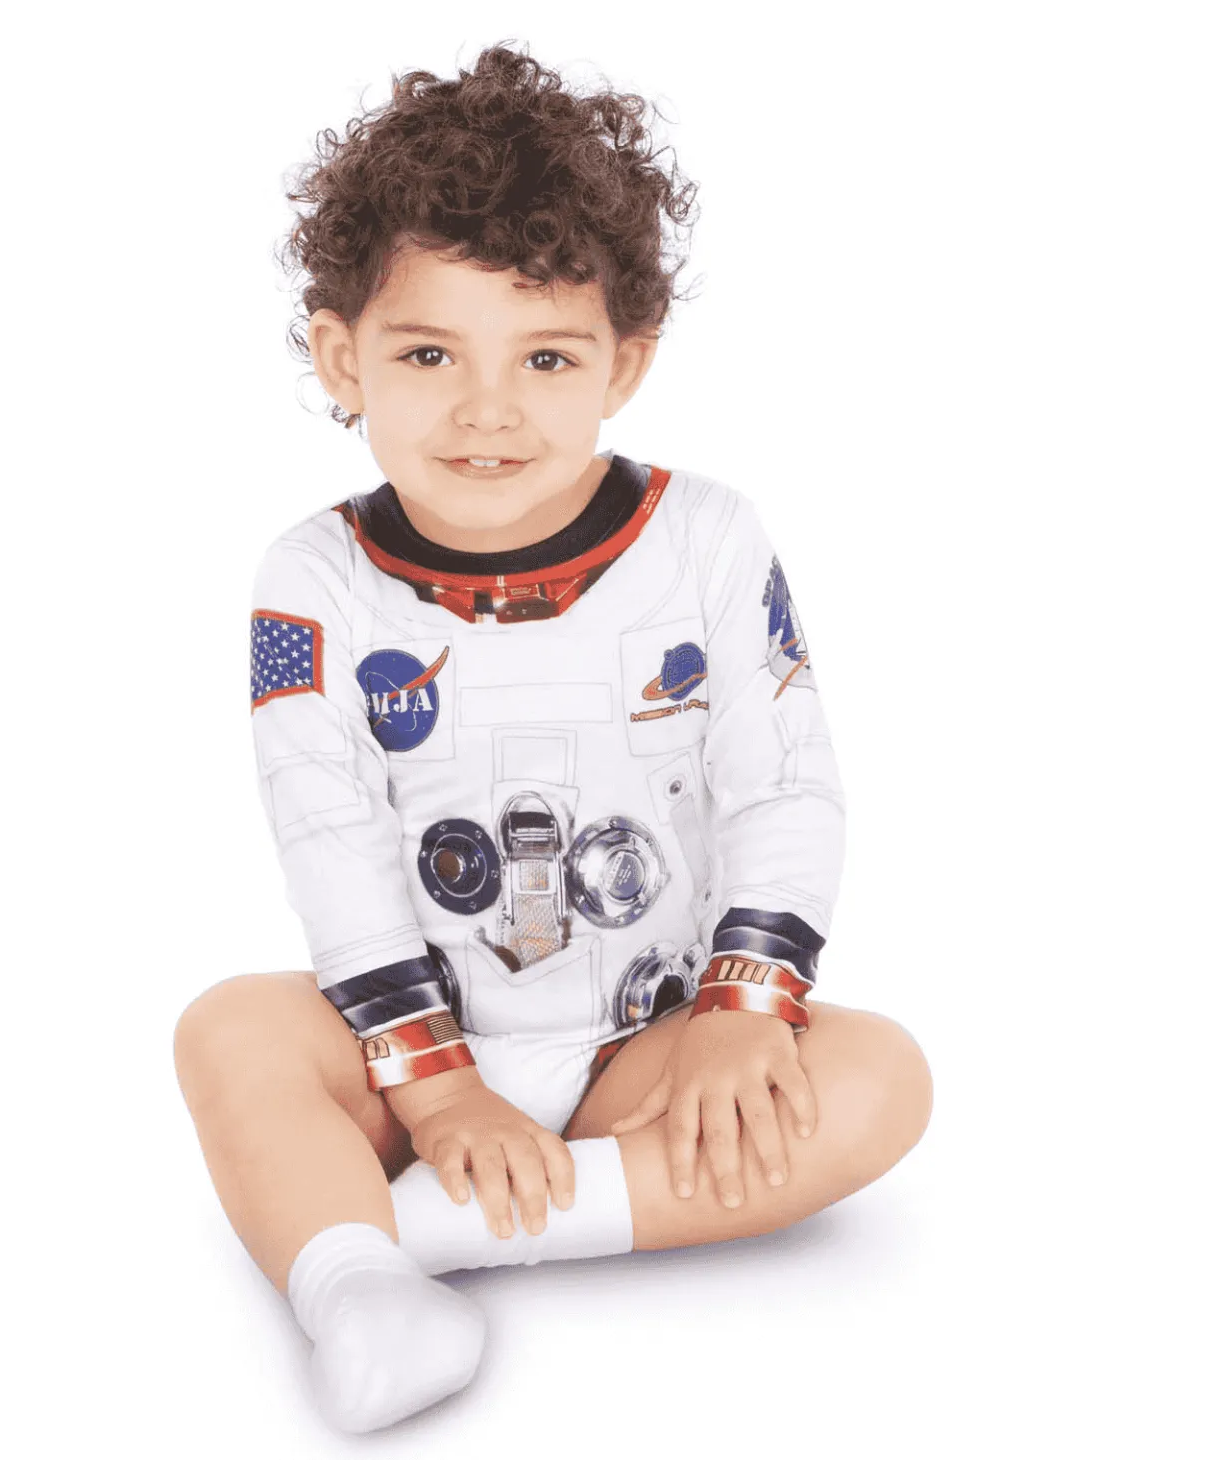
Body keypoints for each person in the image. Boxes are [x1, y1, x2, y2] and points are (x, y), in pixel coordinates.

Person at [173, 41, 933, 1435]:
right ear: (342, 357)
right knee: (229, 1032)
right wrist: (436, 1089)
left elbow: (784, 783)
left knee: (879, 1081)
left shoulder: (708, 540)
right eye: (427, 353)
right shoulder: (311, 581)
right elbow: (328, 837)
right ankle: (363, 1288)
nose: (488, 408)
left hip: (646, 1044)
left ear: (623, 364)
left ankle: (392, 1240)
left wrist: (739, 1014)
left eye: (545, 356)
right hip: (405, 1045)